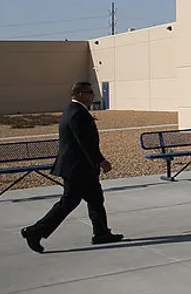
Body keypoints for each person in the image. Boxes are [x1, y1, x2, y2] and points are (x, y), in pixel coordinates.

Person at [21, 82, 124, 253]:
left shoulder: (72, 110)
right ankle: (35, 231)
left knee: (96, 199)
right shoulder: (77, 113)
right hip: (77, 169)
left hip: (81, 168)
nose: (93, 96)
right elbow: (84, 142)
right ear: (80, 94)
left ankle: (101, 233)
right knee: (69, 202)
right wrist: (101, 160)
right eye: (90, 92)